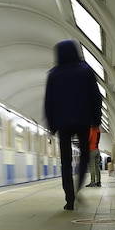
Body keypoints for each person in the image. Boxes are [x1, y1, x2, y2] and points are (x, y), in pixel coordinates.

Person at [44, 40, 102, 210]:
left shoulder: (53, 74)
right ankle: (78, 188)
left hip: (63, 124)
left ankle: (69, 196)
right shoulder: (86, 71)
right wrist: (96, 119)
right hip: (83, 120)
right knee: (84, 156)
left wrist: (51, 125)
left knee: (65, 161)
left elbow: (49, 102)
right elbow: (95, 96)